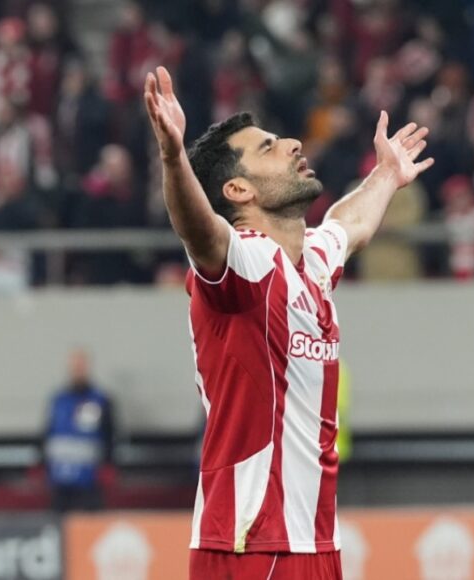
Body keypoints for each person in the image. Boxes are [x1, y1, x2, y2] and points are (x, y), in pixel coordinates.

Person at [143, 66, 433, 578]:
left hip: (317, 545)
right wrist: (173, 157)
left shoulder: (311, 260)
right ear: (238, 189)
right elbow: (199, 232)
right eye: (269, 147)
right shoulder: (244, 262)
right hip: (249, 546)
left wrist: (387, 174)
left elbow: (349, 225)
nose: (294, 144)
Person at [43, 349, 116, 513]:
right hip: (60, 480)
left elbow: (110, 435)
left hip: (89, 481)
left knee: (90, 522)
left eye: (81, 366)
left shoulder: (99, 400)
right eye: (75, 366)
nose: (78, 370)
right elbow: (48, 434)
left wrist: (108, 466)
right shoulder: (58, 400)